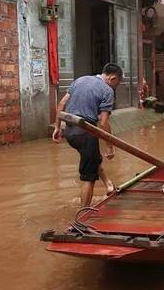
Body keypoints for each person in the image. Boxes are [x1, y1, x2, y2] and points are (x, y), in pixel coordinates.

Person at [52, 63, 123, 207]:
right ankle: (83, 214)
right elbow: (103, 124)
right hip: (85, 132)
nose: (116, 87)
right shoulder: (107, 91)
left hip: (70, 131)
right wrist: (110, 146)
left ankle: (108, 185)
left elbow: (61, 104)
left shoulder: (81, 79)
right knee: (89, 177)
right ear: (113, 78)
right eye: (117, 84)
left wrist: (57, 127)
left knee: (93, 158)